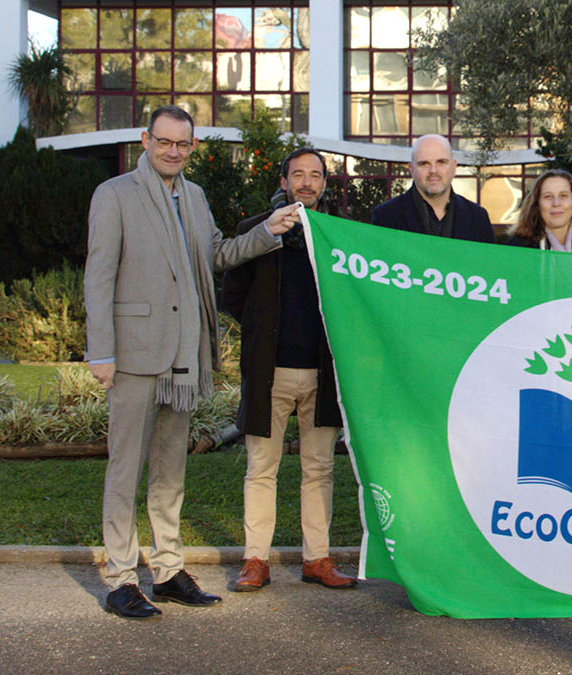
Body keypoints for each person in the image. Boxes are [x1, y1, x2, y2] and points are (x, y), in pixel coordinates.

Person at [85, 105, 300, 619]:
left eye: (183, 144)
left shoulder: (196, 196)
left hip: (183, 354)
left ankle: (166, 570)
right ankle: (119, 578)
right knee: (124, 469)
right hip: (135, 354)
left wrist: (268, 230)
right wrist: (102, 352)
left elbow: (218, 255)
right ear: (146, 139)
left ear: (193, 147)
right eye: (165, 142)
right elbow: (98, 276)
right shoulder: (114, 194)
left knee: (170, 471)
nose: (173, 151)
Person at [219, 147, 357, 593]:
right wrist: (263, 330)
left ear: (324, 184)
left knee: (319, 469)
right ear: (284, 181)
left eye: (315, 175)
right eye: (298, 174)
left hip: (323, 373)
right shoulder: (254, 231)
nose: (306, 182)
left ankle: (317, 558)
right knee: (262, 467)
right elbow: (234, 297)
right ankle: (255, 559)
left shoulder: (339, 235)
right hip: (269, 372)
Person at [370, 133, 495, 242]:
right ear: (411, 170)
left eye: (441, 162)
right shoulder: (386, 217)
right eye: (424, 164)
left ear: (453, 167)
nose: (433, 171)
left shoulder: (478, 217)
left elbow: (489, 266)